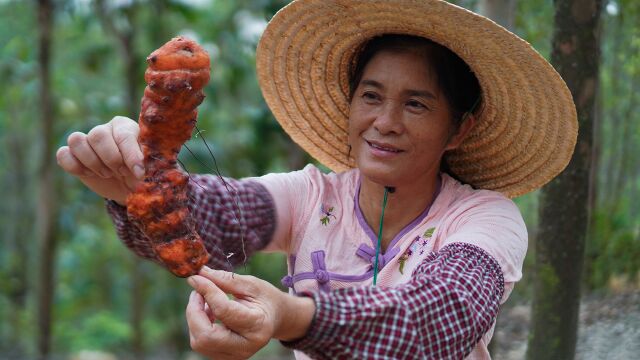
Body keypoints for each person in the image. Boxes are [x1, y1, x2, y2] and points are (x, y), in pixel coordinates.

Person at [56, 0, 578, 359]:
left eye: (416, 104)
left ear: (459, 129)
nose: (386, 121)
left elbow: (438, 318)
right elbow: (222, 215)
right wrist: (134, 184)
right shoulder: (313, 196)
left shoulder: (484, 219)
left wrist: (291, 316)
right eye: (371, 96)